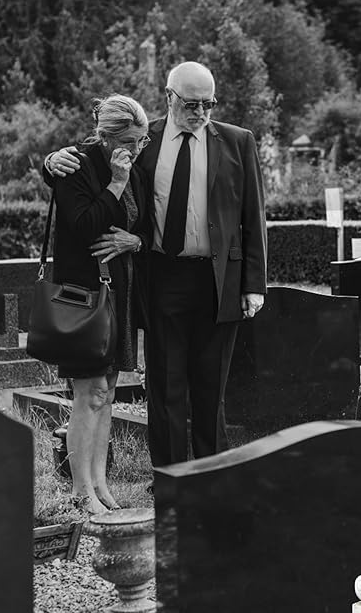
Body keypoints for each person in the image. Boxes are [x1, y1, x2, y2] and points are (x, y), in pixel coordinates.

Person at [46, 62, 267, 468]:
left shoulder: (238, 141)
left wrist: (254, 284)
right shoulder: (145, 139)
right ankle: (168, 476)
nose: (200, 112)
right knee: (165, 386)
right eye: (191, 103)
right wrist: (52, 162)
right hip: (162, 277)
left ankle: (210, 476)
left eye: (208, 104)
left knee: (211, 387)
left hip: (220, 280)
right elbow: (95, 163)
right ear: (169, 97)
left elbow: (254, 214)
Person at [51, 94, 152, 513]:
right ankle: (80, 491)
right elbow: (83, 226)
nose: (137, 148)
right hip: (85, 297)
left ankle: (99, 484)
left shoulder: (135, 166)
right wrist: (115, 184)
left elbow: (144, 224)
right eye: (129, 141)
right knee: (89, 392)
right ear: (106, 137)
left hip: (119, 294)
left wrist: (135, 240)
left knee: (107, 393)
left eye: (142, 140)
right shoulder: (75, 164)